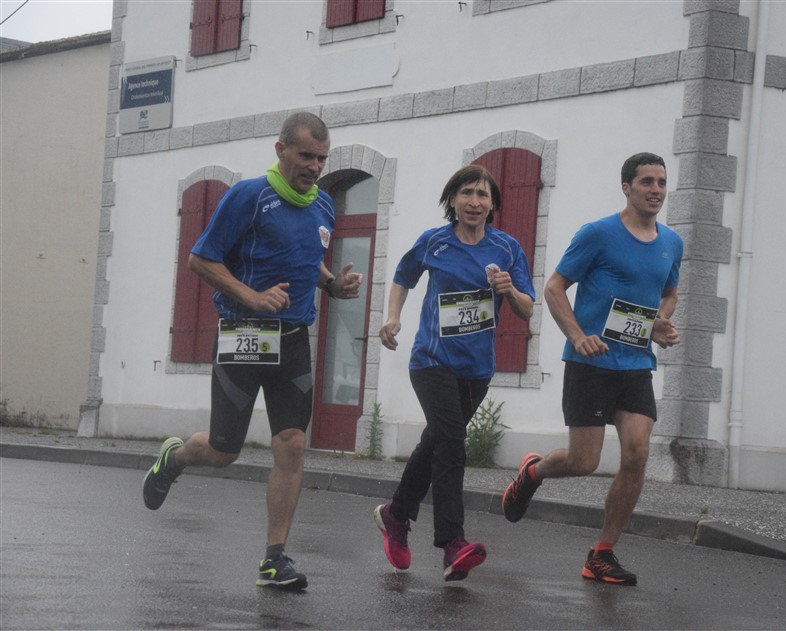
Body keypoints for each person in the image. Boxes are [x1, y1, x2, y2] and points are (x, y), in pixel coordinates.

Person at [141, 112, 363, 591]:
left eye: (322, 159)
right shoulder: (249, 196)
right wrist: (253, 296)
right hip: (243, 334)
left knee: (292, 443)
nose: (315, 167)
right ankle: (174, 458)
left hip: (293, 339)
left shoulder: (324, 204)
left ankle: (274, 559)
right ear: (280, 150)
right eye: (306, 156)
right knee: (224, 451)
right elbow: (201, 258)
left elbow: (308, 257)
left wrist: (332, 285)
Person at [501, 152, 683, 586]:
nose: (656, 190)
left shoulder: (672, 243)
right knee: (584, 461)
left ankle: (602, 553)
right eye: (647, 182)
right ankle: (533, 472)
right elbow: (554, 287)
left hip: (636, 363)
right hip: (591, 363)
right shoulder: (597, 234)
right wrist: (578, 335)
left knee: (637, 454)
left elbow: (669, 292)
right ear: (626, 187)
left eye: (661, 182)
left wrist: (658, 322)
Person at [373, 164, 535, 581]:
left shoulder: (507, 248)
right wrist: (392, 317)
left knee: (436, 442)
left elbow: (527, 308)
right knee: (451, 443)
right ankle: (452, 543)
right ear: (453, 200)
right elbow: (403, 277)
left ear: (493, 204)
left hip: (476, 369)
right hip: (432, 360)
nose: (474, 202)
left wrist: (509, 291)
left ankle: (396, 514)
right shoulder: (435, 242)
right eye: (466, 193)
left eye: (482, 195)